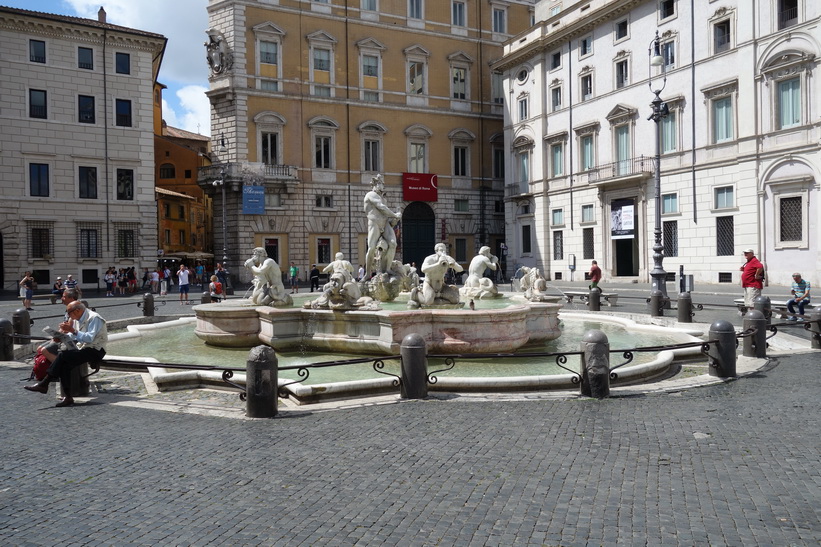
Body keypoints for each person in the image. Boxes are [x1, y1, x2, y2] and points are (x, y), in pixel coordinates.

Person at [24, 301, 107, 407]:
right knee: (65, 365)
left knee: (63, 356)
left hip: (96, 349)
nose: (68, 315)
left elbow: (89, 338)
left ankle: (45, 383)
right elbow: (74, 336)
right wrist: (61, 337)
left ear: (78, 310)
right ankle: (68, 397)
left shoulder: (94, 318)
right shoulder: (78, 318)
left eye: (69, 312)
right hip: (83, 348)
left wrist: (72, 330)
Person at [364, 174, 402, 275]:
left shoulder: (383, 199)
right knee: (371, 248)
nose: (383, 186)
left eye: (383, 184)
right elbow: (381, 207)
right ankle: (368, 274)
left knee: (393, 244)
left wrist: (395, 220)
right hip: (374, 223)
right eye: (381, 183)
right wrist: (394, 214)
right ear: (375, 184)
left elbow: (386, 216)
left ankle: (388, 268)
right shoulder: (370, 195)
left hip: (385, 225)